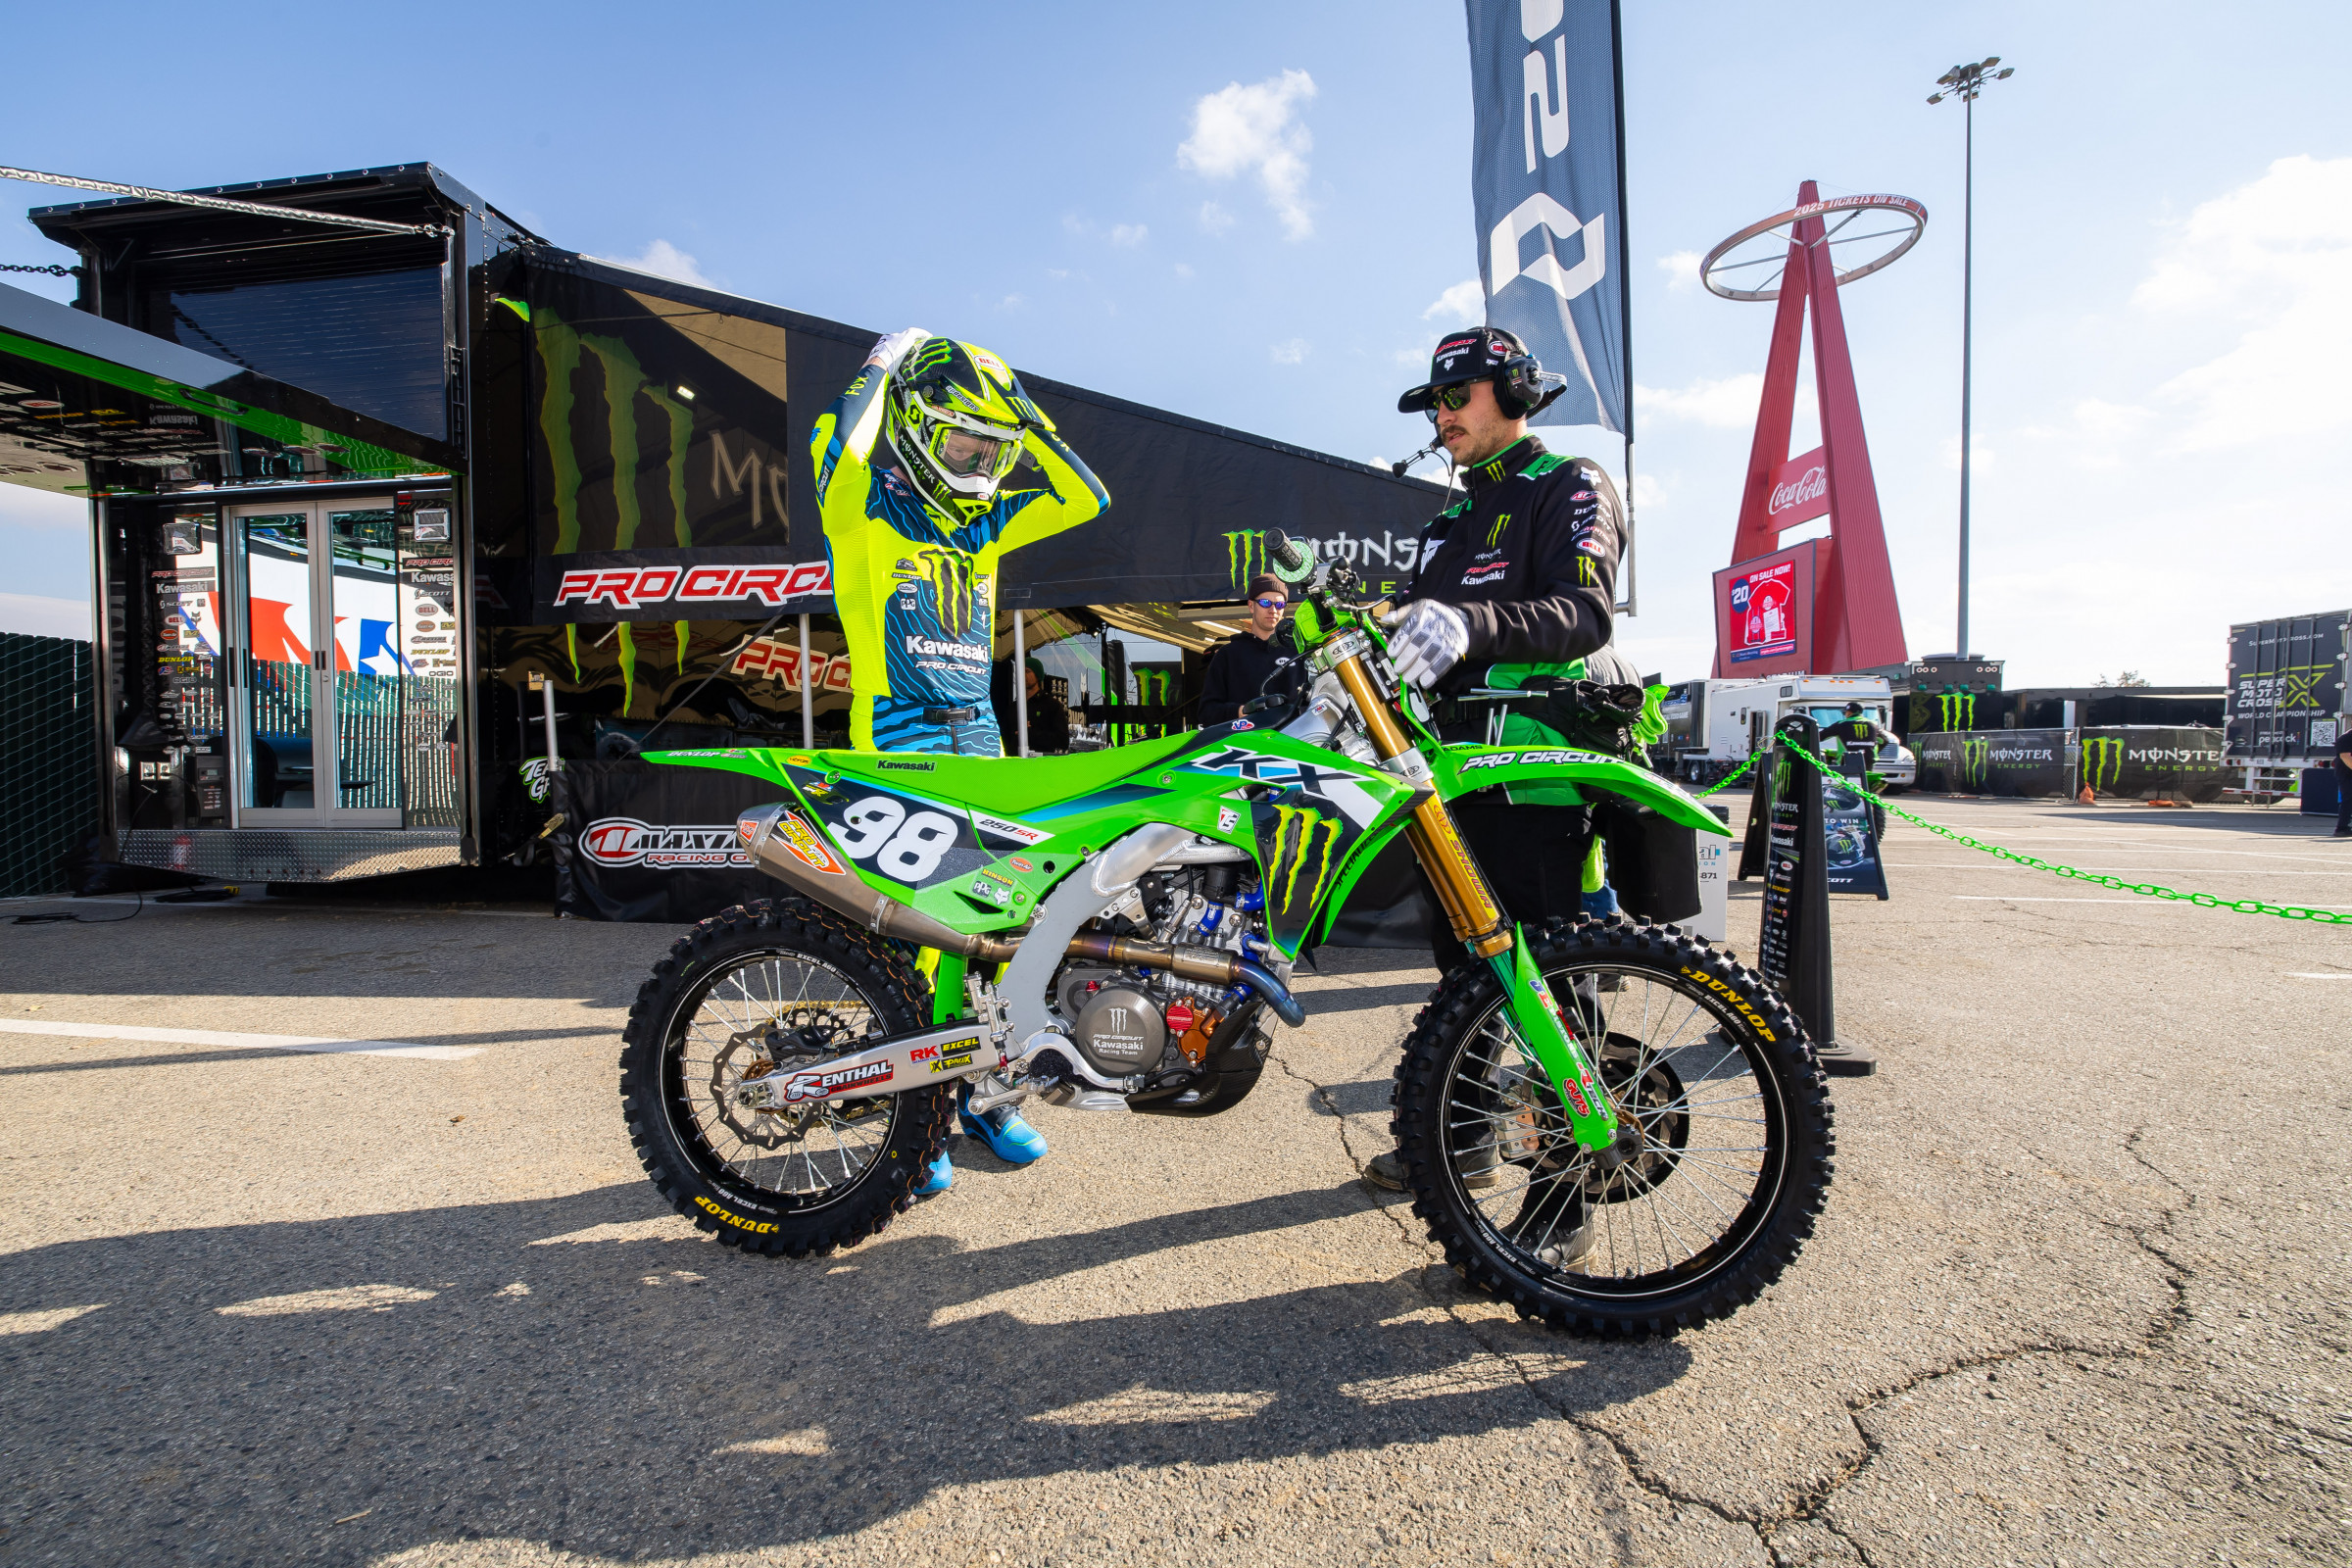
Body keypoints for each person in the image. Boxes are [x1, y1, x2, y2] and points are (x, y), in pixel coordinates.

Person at [810, 328, 1110, 1194]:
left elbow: (1086, 497)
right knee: (917, 943)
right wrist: (879, 364)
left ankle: (983, 1095)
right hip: (898, 735)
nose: (979, 461)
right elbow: (841, 443)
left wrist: (1025, 416)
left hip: (979, 732)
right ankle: (915, 1119)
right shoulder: (860, 501)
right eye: (963, 441)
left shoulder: (983, 519)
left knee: (1002, 931)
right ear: (911, 422)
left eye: (992, 449)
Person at [1361, 326, 1622, 1194]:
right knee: (1464, 976)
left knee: (1554, 981)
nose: (1442, 416)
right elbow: (1416, 628)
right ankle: (1462, 1148)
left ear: (1513, 394)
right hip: (1444, 780)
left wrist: (1473, 624)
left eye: (1457, 396)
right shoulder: (1450, 515)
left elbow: (1585, 614)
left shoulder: (1569, 484)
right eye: (1434, 401)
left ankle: (1569, 1185)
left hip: (1535, 775)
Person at [1198, 573, 1300, 724]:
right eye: (1265, 603)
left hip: (1291, 743)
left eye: (1279, 605)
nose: (1273, 610)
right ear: (1251, 606)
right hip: (1244, 744)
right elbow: (1206, 713)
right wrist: (1241, 711)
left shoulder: (1298, 653)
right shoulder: (1228, 655)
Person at [995, 656, 1070, 755]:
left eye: (1027, 671)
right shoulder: (1013, 708)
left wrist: (1030, 733)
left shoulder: (1052, 705)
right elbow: (1004, 738)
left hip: (1042, 766)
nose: (1023, 675)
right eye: (1020, 671)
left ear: (1038, 675)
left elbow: (1063, 741)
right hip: (1015, 766)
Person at [2334, 725, 2352, 838]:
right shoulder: (2346, 738)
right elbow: (2345, 757)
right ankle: (2341, 828)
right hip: (2347, 775)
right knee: (2349, 799)